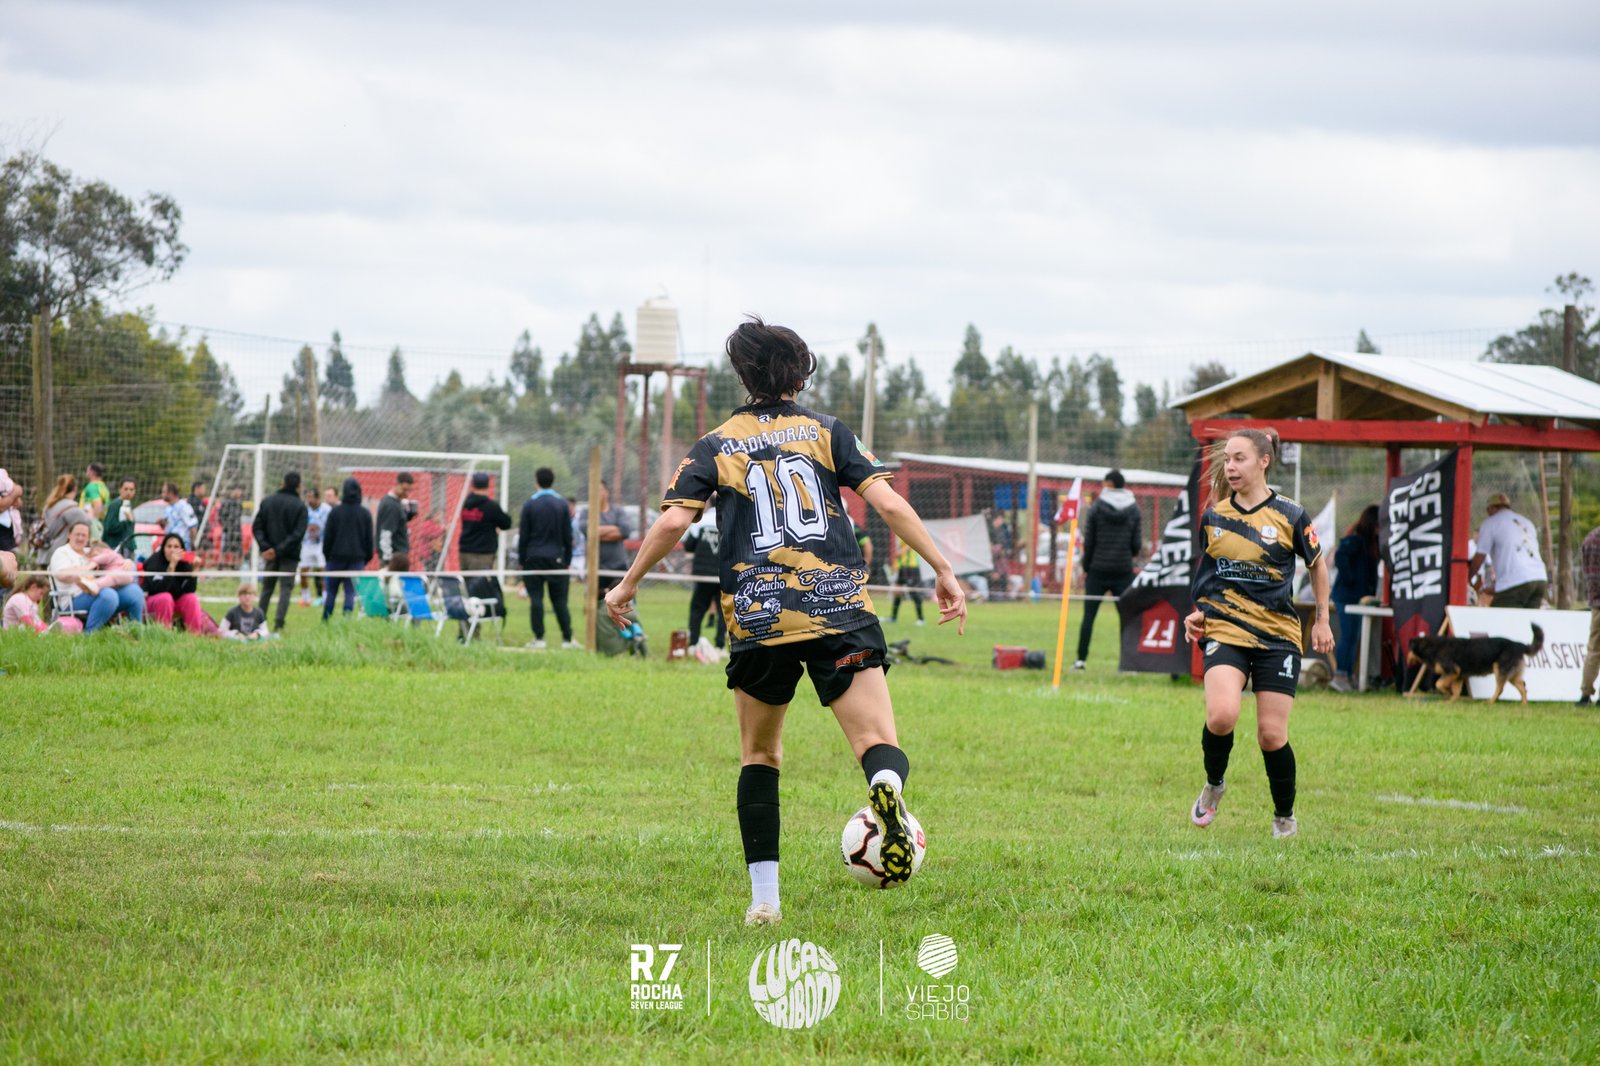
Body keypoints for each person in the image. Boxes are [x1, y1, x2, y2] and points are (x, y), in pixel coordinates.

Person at [604, 317, 967, 927]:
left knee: (760, 755)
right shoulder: (828, 432)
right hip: (838, 606)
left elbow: (672, 522)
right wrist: (943, 568)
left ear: (742, 375)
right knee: (876, 742)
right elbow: (887, 502)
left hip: (758, 614)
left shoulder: (716, 443)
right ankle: (887, 786)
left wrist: (628, 583)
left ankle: (765, 901)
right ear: (799, 374)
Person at [1183, 427, 1333, 840]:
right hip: (1227, 629)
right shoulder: (1214, 517)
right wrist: (1197, 613)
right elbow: (1209, 579)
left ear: (1264, 461)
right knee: (1221, 716)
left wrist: (1321, 620)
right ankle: (1214, 784)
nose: (1230, 466)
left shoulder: (1291, 515)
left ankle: (1284, 815)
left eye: (1240, 458)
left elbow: (1318, 566)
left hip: (1277, 636)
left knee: (1271, 735)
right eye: (1227, 459)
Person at [1073, 469, 1144, 670]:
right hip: (1123, 571)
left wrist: (1086, 566)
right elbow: (1136, 544)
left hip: (1097, 570)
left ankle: (1081, 660)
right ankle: (1128, 664)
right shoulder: (1134, 509)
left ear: (1109, 484)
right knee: (1127, 618)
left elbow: (1089, 542)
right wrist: (1126, 557)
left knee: (1089, 616)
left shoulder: (1096, 507)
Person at [49, 520, 146, 632]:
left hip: (102, 590)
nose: (80, 538)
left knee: (134, 591)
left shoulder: (91, 551)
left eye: (84, 535)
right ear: (69, 535)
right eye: (77, 534)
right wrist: (86, 569)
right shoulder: (62, 552)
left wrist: (127, 562)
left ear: (88, 538)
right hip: (73, 598)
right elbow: (62, 576)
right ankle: (91, 634)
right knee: (108, 595)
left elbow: (113, 558)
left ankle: (135, 632)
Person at [518, 468, 577, 649]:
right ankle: (567, 639)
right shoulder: (562, 504)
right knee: (560, 601)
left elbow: (523, 536)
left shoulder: (529, 504)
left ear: (536, 481)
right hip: (556, 559)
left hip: (533, 558)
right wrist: (567, 560)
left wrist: (522, 560)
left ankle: (539, 639)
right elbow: (568, 536)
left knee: (536, 599)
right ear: (552, 481)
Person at [1329, 504, 1381, 692]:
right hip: (1346, 596)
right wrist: (1351, 580)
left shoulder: (1369, 544)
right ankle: (1340, 675)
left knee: (1353, 637)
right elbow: (1340, 557)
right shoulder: (1355, 540)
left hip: (1358, 597)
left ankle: (1349, 675)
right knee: (1349, 635)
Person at [251, 471, 309, 633]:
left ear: (283, 483)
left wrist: (266, 548)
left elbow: (257, 527)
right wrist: (279, 550)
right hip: (289, 555)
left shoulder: (268, 502)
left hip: (270, 554)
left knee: (267, 588)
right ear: (299, 486)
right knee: (285, 589)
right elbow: (298, 534)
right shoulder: (300, 507)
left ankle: (259, 622)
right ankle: (279, 624)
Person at [1469, 494, 1548, 609]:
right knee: (1528, 619)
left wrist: (1467, 578)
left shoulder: (1490, 523)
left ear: (1491, 508)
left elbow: (1480, 556)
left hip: (1515, 583)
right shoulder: (1527, 522)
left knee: (1500, 618)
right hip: (1540, 579)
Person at [142, 532, 217, 634]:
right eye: (169, 546)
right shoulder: (154, 561)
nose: (172, 550)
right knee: (165, 598)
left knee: (191, 598)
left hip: (174, 601)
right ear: (163, 548)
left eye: (176, 547)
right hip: (153, 601)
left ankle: (195, 635)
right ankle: (164, 633)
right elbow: (159, 589)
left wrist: (195, 571)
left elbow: (189, 590)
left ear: (182, 550)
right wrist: (171, 566)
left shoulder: (184, 563)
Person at [459, 471, 512, 615]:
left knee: (467, 589)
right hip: (481, 554)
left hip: (464, 552)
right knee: (478, 590)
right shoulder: (490, 506)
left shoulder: (465, 503)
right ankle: (474, 624)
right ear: (488, 485)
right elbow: (506, 523)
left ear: (472, 484)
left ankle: (466, 623)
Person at [322, 478, 374, 620]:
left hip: (335, 559)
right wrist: (366, 558)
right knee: (350, 592)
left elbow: (328, 537)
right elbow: (369, 539)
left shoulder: (335, 512)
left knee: (331, 591)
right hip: (356, 560)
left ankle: (326, 619)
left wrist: (327, 556)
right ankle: (347, 620)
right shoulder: (365, 514)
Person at [683, 506, 726, 650]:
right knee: (724, 610)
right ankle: (720, 645)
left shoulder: (700, 521)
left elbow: (689, 545)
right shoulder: (730, 519)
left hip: (703, 574)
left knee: (698, 607)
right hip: (724, 573)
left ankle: (693, 643)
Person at [585, 481, 630, 596]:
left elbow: (625, 532)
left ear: (606, 492)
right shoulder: (587, 512)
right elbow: (588, 532)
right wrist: (614, 529)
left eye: (599, 490)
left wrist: (597, 532)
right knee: (593, 600)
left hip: (618, 566)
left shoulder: (618, 511)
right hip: (596, 566)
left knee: (623, 599)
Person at [376, 472, 416, 572]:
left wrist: (408, 516)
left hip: (398, 558)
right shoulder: (391, 505)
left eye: (409, 490)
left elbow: (397, 524)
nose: (407, 494)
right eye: (404, 489)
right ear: (396, 484)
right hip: (394, 560)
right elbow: (385, 533)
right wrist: (388, 560)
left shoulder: (396, 503)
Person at [41, 474, 91, 555]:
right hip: (60, 553)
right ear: (75, 488)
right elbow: (87, 524)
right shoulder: (71, 508)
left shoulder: (49, 505)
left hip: (44, 551)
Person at [1578, 524, 1600, 707]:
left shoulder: (1590, 539)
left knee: (1593, 650)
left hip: (1597, 603)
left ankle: (1585, 693)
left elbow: (1585, 570)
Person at [298, 486, 330, 607]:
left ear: (317, 498)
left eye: (311, 497)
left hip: (321, 543)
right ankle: (305, 598)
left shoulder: (326, 510)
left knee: (323, 570)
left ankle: (325, 597)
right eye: (307, 497)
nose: (309, 500)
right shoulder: (304, 509)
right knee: (303, 570)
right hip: (307, 544)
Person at [889, 541, 924, 624]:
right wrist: (896, 564)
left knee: (913, 592)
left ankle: (921, 619)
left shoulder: (909, 533)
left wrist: (900, 552)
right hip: (902, 567)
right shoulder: (898, 537)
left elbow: (912, 543)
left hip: (911, 567)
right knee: (898, 591)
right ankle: (893, 618)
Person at [102, 478, 138, 556]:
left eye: (131, 489)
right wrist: (126, 521)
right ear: (120, 490)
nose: (128, 492)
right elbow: (109, 527)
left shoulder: (128, 504)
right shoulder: (115, 505)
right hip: (118, 548)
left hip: (128, 546)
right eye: (126, 489)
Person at [0, 468, 23, 589]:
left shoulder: (2, 473)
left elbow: (18, 502)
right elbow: (1, 506)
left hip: (9, 528)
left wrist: (17, 492)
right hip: (1, 529)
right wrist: (15, 493)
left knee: (11, 563)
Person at [159, 481, 199, 549]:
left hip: (182, 545)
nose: (162, 494)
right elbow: (167, 527)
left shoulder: (184, 506)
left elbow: (193, 526)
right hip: (170, 545)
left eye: (164, 492)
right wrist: (162, 523)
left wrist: (192, 544)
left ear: (170, 493)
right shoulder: (168, 508)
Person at [79, 463, 109, 541]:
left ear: (92, 472)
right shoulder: (103, 487)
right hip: (101, 522)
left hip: (91, 523)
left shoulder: (92, 486)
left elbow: (97, 503)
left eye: (87, 470)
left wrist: (93, 522)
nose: (86, 473)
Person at [218, 486, 244, 566]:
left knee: (237, 547)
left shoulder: (239, 503)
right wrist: (225, 526)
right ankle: (221, 564)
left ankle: (235, 565)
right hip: (228, 529)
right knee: (225, 547)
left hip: (237, 529)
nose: (240, 493)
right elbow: (220, 516)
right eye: (238, 490)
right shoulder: (226, 502)